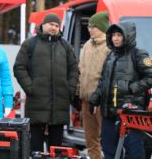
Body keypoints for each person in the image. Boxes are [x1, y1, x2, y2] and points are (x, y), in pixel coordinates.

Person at [13, 13, 79, 153]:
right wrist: (30, 88)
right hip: (36, 103)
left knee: (57, 149)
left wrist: (70, 89)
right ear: (43, 25)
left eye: (56, 25)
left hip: (59, 105)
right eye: (51, 24)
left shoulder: (65, 46)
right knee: (35, 147)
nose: (53, 28)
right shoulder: (30, 44)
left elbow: (74, 69)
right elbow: (19, 67)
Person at [90, 22, 152, 159]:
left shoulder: (138, 54)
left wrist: (131, 88)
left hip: (130, 114)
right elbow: (103, 80)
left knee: (134, 151)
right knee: (108, 149)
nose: (115, 38)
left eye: (119, 35)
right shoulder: (110, 55)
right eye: (113, 35)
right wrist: (95, 98)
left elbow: (150, 76)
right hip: (109, 113)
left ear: (127, 36)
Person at [78, 11, 110, 159]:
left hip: (102, 102)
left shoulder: (109, 47)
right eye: (89, 26)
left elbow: (109, 76)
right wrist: (78, 92)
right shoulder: (86, 46)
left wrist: (100, 96)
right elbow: (81, 70)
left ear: (102, 27)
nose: (90, 29)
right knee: (90, 140)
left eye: (94, 26)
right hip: (86, 100)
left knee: (108, 139)